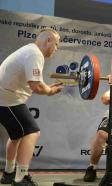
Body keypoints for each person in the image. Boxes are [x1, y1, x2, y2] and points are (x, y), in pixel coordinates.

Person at [0, 28, 62, 186]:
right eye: (56, 44)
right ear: (48, 40)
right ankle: (20, 178)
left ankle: (8, 173)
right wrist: (50, 91)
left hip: (7, 98)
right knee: (32, 131)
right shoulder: (35, 54)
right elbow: (37, 87)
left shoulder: (30, 51)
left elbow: (38, 84)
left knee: (16, 136)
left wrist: (48, 88)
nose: (56, 48)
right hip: (5, 98)